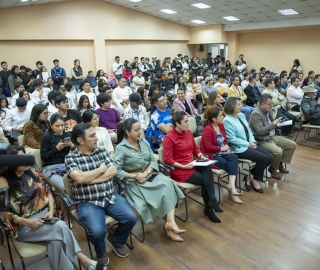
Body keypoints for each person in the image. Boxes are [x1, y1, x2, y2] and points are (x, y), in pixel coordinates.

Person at [0, 146, 104, 270]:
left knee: (56, 242)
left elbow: (48, 190)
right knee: (61, 226)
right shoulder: (4, 181)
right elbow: (3, 213)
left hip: (46, 218)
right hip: (25, 225)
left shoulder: (33, 172)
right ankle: (82, 259)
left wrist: (51, 210)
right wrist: (27, 222)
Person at [65, 123, 137, 264]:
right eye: (92, 136)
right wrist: (100, 170)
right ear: (80, 140)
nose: (96, 138)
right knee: (97, 232)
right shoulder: (71, 158)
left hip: (109, 196)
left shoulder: (101, 151)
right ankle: (101, 251)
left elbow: (114, 171)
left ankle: (116, 240)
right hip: (88, 202)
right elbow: (79, 178)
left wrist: (89, 180)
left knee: (131, 218)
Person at [114, 119, 185, 241]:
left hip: (150, 174)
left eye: (140, 129)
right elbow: (116, 170)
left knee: (169, 184)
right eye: (136, 130)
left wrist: (146, 172)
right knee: (163, 190)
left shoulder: (144, 142)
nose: (139, 132)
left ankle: (170, 223)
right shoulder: (121, 148)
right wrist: (135, 176)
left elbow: (152, 160)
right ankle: (170, 225)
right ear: (127, 132)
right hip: (134, 181)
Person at [163, 111, 223, 223]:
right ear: (177, 124)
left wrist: (200, 156)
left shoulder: (188, 133)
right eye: (185, 122)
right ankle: (209, 208)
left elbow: (195, 149)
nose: (188, 124)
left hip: (192, 163)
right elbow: (168, 159)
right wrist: (183, 166)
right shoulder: (169, 138)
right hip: (180, 170)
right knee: (206, 180)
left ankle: (211, 202)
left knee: (207, 167)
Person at [223, 97, 273, 193]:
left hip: (249, 144)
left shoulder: (241, 115)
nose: (241, 106)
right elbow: (232, 139)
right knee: (263, 158)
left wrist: (252, 141)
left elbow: (249, 130)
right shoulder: (227, 120)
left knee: (270, 157)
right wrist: (248, 143)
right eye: (238, 105)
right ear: (232, 107)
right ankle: (256, 180)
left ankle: (250, 176)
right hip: (239, 148)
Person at [249, 94, 297, 180]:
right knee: (278, 151)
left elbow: (271, 125)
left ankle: (279, 164)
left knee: (292, 144)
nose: (271, 106)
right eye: (269, 104)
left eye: (272, 104)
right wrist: (274, 124)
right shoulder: (255, 114)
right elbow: (260, 132)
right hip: (262, 140)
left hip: (272, 136)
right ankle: (273, 168)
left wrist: (278, 124)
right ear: (262, 104)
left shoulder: (268, 111)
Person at [201, 107, 242, 203]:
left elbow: (225, 139)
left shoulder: (221, 126)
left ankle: (231, 186)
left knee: (234, 157)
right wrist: (221, 148)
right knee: (232, 165)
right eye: (220, 115)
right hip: (212, 154)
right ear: (214, 119)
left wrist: (226, 145)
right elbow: (208, 147)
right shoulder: (207, 130)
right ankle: (232, 189)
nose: (223, 117)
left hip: (222, 151)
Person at [40, 113, 73, 191]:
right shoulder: (47, 137)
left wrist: (72, 146)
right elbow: (44, 157)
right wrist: (57, 148)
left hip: (69, 166)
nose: (60, 128)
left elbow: (78, 153)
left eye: (62, 125)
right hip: (52, 168)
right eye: (57, 126)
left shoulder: (68, 135)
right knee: (64, 187)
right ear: (51, 126)